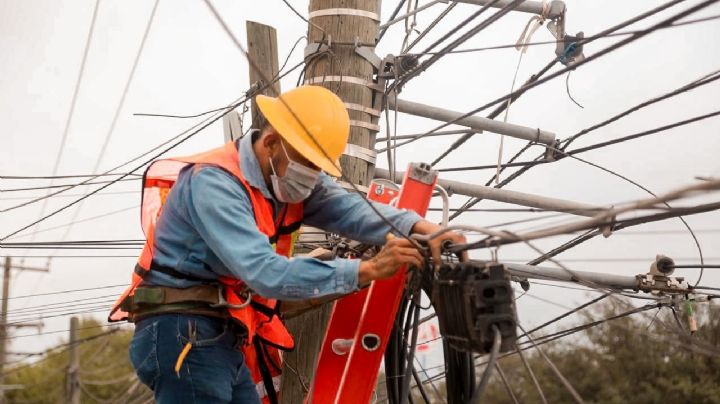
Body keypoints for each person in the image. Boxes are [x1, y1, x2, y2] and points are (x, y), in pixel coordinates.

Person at [108, 85, 466, 403]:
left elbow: (351, 210)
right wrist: (369, 269)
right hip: (181, 330)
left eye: (318, 167)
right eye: (307, 163)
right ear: (272, 142)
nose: (312, 176)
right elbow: (265, 272)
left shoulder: (287, 178)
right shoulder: (215, 184)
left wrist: (419, 226)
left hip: (219, 334)